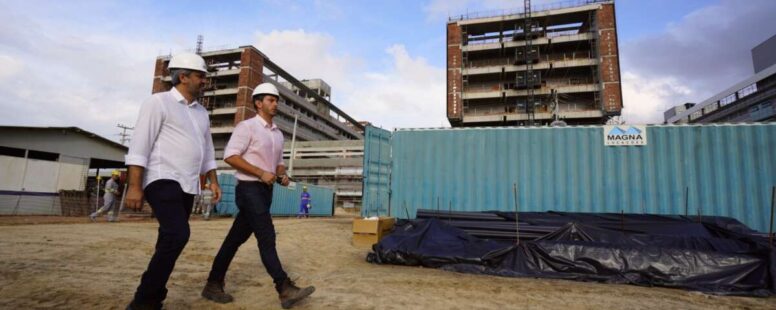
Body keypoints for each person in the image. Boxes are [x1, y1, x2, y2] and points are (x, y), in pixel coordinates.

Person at [201, 82, 315, 309]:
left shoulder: (278, 134)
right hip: (249, 189)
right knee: (267, 236)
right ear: (258, 103)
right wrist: (261, 172)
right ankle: (284, 288)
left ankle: (213, 284)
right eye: (271, 100)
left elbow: (279, 164)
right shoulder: (247, 127)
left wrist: (281, 175)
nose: (275, 105)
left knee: (233, 240)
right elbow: (231, 156)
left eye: (276, 101)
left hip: (265, 191)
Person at [123, 52, 221, 310]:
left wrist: (213, 180)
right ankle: (143, 301)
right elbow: (139, 145)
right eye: (201, 76)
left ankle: (152, 297)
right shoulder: (158, 102)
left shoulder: (201, 113)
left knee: (167, 240)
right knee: (179, 234)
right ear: (183, 76)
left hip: (189, 183)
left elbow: (208, 150)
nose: (204, 81)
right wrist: (134, 186)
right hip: (161, 177)